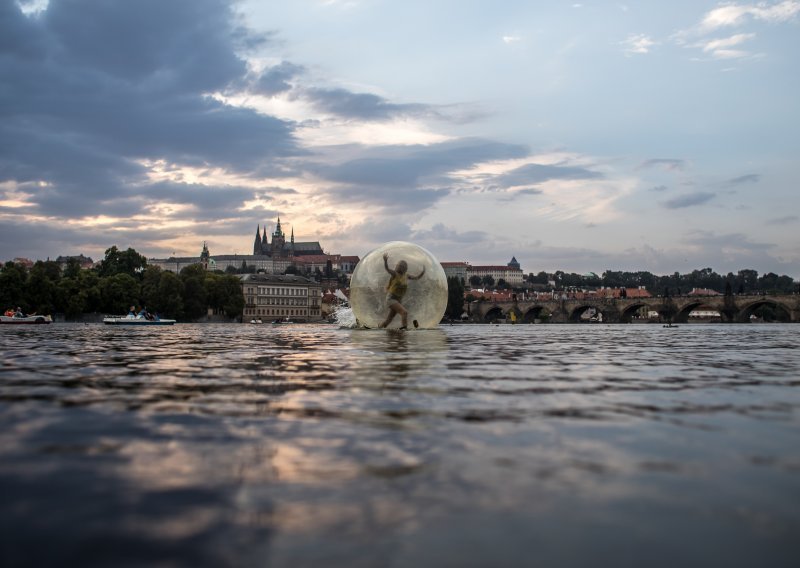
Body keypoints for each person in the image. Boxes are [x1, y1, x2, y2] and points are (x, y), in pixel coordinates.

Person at [379, 252, 425, 330]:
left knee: (388, 320)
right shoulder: (395, 274)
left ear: (405, 268)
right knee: (404, 312)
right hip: (391, 299)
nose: (401, 267)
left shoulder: (406, 276)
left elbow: (417, 277)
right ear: (397, 266)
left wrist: (423, 272)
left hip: (398, 300)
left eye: (403, 266)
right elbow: (387, 269)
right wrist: (385, 261)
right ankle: (404, 329)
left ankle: (378, 327)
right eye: (400, 265)